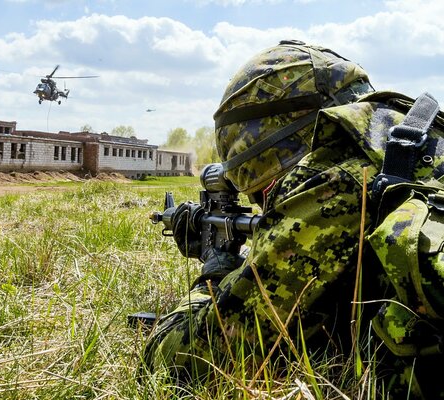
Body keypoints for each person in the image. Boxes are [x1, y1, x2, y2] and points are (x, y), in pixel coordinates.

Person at [143, 40, 444, 398]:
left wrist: (213, 272)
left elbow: (190, 359)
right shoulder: (413, 146)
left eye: (265, 194)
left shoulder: (332, 179)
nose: (267, 204)